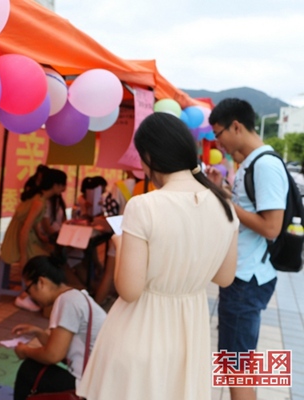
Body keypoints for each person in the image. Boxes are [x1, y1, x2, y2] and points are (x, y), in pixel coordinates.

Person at [77, 112, 239, 400]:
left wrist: (120, 243)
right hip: (190, 334)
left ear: (150, 156)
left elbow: (129, 290)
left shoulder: (144, 206)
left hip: (140, 330)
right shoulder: (223, 204)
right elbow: (224, 278)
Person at [207, 98, 288, 400]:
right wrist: (223, 192)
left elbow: (271, 227)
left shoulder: (265, 165)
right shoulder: (252, 163)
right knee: (236, 365)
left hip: (247, 280)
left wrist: (228, 205)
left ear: (236, 126)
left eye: (219, 134)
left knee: (236, 368)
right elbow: (249, 210)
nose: (218, 143)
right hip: (243, 277)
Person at [11, 255, 106, 400]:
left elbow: (53, 355)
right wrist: (38, 332)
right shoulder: (76, 296)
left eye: (28, 290)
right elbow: (61, 349)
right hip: (99, 381)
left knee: (29, 369)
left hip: (87, 387)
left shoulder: (67, 301)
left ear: (41, 282)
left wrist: (25, 351)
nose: (30, 296)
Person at [1, 168, 67, 311]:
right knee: (45, 260)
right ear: (55, 185)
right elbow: (24, 230)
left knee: (48, 251)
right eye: (63, 185)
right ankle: (25, 295)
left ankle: (34, 293)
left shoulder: (39, 197)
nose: (64, 189)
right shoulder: (39, 202)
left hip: (26, 236)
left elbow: (33, 223)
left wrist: (40, 236)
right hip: (17, 240)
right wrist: (24, 255)